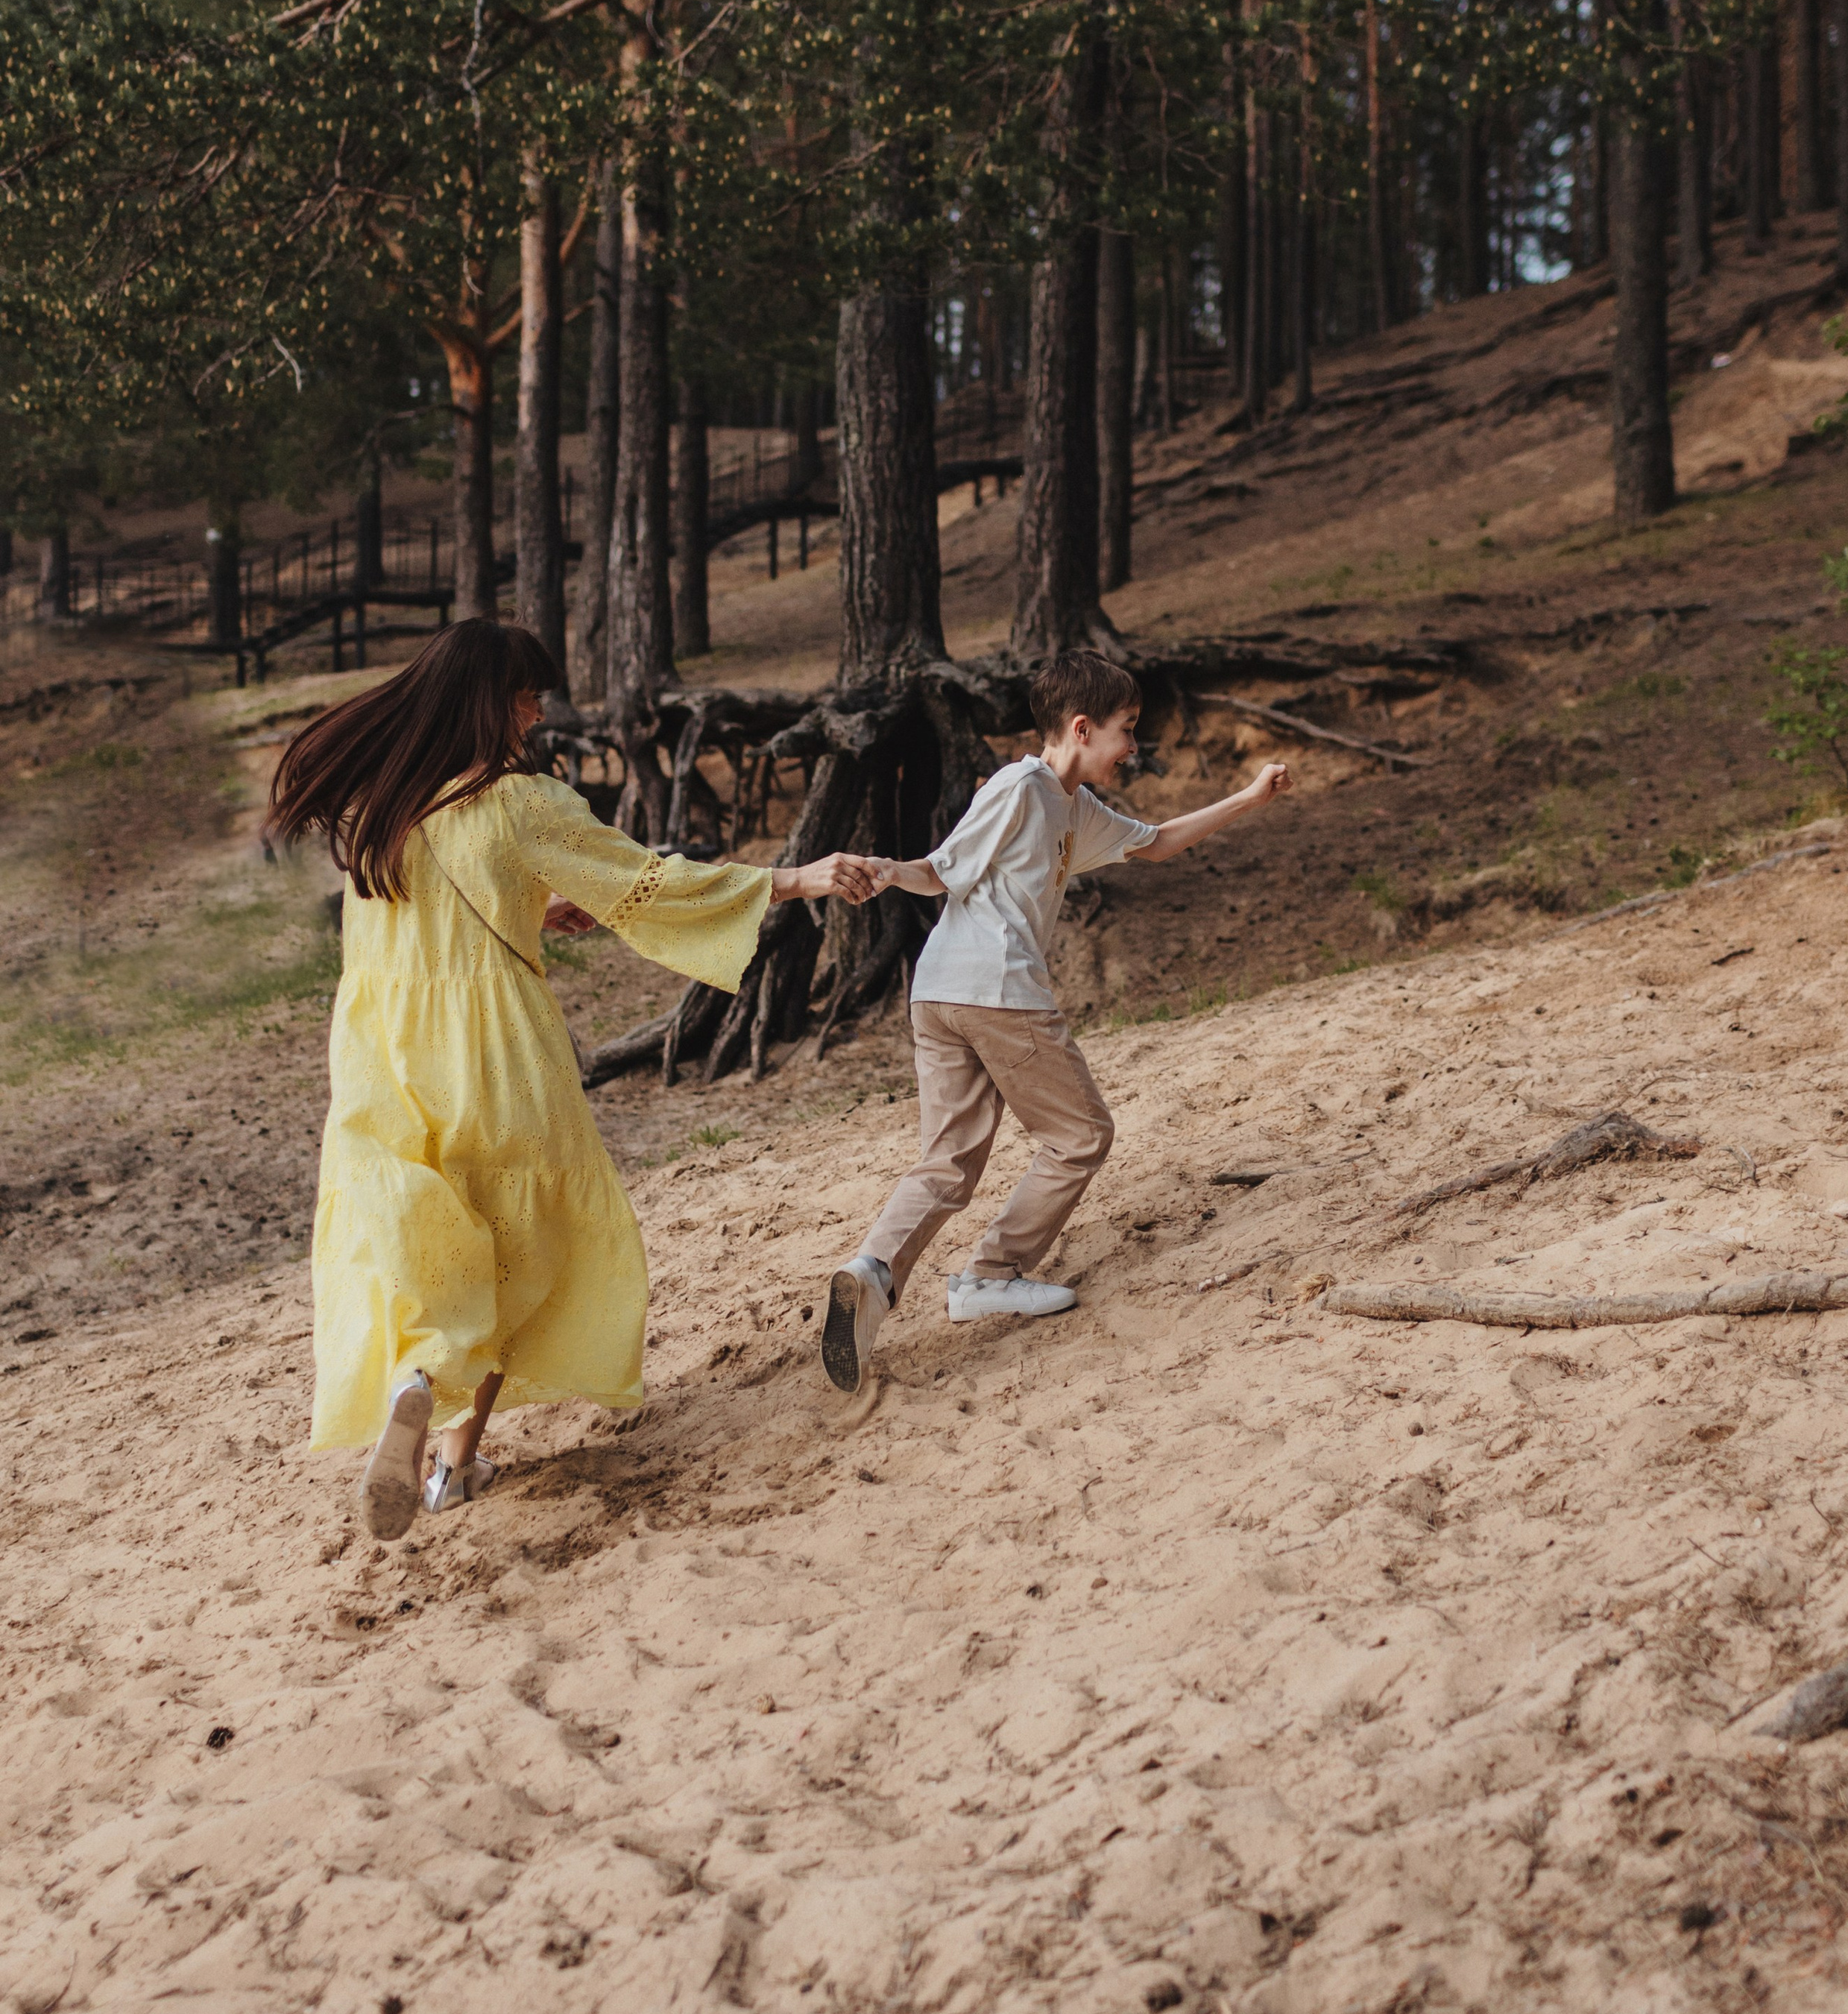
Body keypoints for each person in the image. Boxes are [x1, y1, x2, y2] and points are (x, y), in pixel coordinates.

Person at [268, 619, 878, 1535]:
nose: (539, 713)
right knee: (522, 1241)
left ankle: (415, 1381)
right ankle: (453, 1464)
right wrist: (796, 880)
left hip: (381, 1050)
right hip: (496, 1051)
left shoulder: (382, 801)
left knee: (406, 1225)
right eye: (527, 695)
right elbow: (652, 885)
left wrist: (534, 908)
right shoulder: (521, 804)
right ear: (489, 700)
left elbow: (434, 908)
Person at [819, 648, 1292, 1390]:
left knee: (949, 1160)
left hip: (939, 993)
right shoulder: (1022, 785)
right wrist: (887, 869)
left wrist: (1249, 799)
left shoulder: (1074, 807)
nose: (1132, 747)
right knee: (1081, 1136)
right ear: (1080, 727)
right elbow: (945, 867)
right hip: (996, 992)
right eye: (1125, 729)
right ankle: (991, 1273)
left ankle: (870, 1271)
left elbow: (1158, 841)